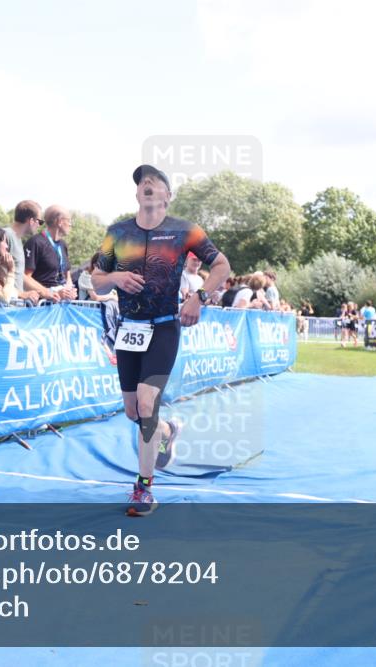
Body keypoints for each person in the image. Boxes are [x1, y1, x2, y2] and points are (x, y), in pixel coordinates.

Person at [92, 165, 230, 517]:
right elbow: (96, 281)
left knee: (146, 403)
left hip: (165, 327)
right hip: (129, 329)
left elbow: (222, 266)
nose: (147, 185)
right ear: (137, 195)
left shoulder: (184, 231)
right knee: (133, 411)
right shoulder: (117, 232)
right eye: (142, 183)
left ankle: (144, 489)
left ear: (168, 196)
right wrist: (117, 277)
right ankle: (168, 430)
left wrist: (200, 297)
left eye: (155, 182)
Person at [25, 204, 76, 301]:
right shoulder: (36, 242)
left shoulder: (63, 245)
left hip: (61, 306)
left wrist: (69, 291)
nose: (70, 224)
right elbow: (25, 278)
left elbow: (67, 276)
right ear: (60, 221)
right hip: (41, 306)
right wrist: (49, 293)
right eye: (69, 221)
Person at [4, 200, 45, 303]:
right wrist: (21, 294)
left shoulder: (17, 239)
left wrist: (44, 292)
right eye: (40, 221)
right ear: (31, 221)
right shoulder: (5, 235)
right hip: (5, 306)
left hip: (14, 305)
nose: (40, 225)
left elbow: (19, 275)